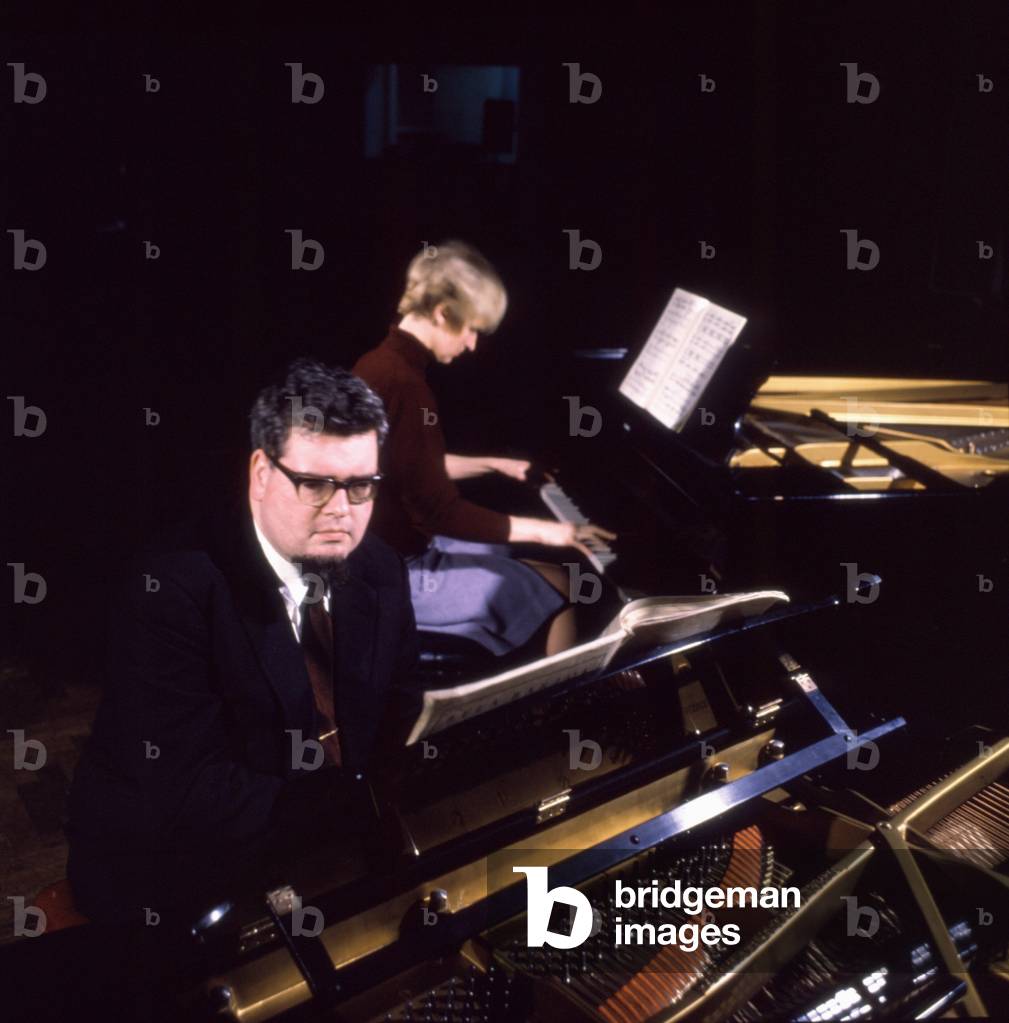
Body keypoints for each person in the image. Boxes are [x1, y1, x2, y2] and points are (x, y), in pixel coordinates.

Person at [66, 358, 418, 931]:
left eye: (360, 486)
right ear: (260, 473)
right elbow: (185, 790)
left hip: (316, 844)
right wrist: (352, 805)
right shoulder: (171, 589)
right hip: (172, 869)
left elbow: (400, 707)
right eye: (315, 484)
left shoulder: (377, 568)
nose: (342, 511)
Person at [354, 240, 614, 658]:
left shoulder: (380, 364)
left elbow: (408, 465)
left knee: (556, 578)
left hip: (394, 554)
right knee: (558, 595)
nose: (473, 344)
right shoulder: (405, 385)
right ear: (441, 313)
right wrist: (556, 532)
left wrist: (494, 465)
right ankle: (556, 710)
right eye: (471, 328)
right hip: (392, 576)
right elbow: (439, 512)